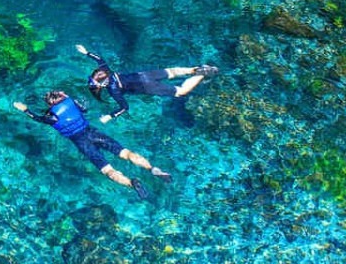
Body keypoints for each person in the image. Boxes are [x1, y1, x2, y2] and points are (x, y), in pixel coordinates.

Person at [13, 90, 171, 200]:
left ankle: (131, 184)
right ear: (63, 97)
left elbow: (37, 118)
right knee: (126, 153)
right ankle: (153, 169)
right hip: (94, 134)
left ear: (50, 105)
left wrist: (25, 109)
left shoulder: (51, 117)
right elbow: (84, 108)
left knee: (108, 171)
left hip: (82, 143)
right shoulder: (72, 103)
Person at [77, 44, 219, 123]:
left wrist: (110, 116)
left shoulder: (114, 91)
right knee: (173, 72)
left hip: (147, 87)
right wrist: (86, 52)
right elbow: (99, 59)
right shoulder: (106, 70)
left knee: (181, 91)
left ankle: (201, 74)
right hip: (145, 75)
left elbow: (124, 107)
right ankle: (198, 69)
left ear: (103, 84)